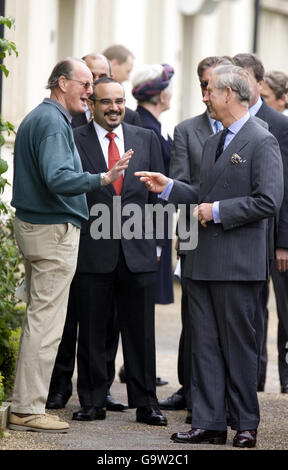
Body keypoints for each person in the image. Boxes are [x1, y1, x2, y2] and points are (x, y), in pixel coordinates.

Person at [135, 64, 284, 448]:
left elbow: (268, 200)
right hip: (200, 264)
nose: (205, 98)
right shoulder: (212, 142)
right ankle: (210, 423)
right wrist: (169, 187)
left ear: (230, 95)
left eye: (210, 92)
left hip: (237, 265)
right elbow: (202, 195)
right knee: (203, 346)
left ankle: (246, 424)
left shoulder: (261, 139)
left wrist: (215, 212)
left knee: (239, 347)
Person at [8, 58, 132, 433]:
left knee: (39, 320)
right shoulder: (51, 121)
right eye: (85, 83)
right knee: (46, 325)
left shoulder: (44, 118)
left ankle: (25, 404)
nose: (91, 91)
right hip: (51, 231)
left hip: (40, 228)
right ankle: (28, 408)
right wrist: (103, 177)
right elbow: (57, 177)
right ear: (62, 83)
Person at [61, 76, 167, 426]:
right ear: (91, 105)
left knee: (141, 332)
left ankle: (145, 403)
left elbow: (156, 197)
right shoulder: (74, 141)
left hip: (138, 252)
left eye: (119, 101)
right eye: (106, 102)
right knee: (92, 331)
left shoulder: (145, 138)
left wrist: (157, 246)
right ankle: (92, 401)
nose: (114, 108)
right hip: (92, 251)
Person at [47, 52, 132, 413]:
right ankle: (59, 386)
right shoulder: (68, 127)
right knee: (68, 323)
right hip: (79, 238)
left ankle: (101, 388)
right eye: (91, 81)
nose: (95, 88)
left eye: (102, 78)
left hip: (119, 244)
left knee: (106, 325)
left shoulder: (133, 124)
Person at [160, 56, 233, 423]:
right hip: (194, 236)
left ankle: (224, 400)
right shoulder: (187, 130)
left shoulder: (251, 130)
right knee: (194, 321)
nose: (206, 93)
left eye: (212, 85)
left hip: (234, 240)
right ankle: (193, 393)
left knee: (229, 324)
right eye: (202, 85)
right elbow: (179, 185)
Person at [234, 53, 288, 393]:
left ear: (259, 83)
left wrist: (284, 241)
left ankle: (286, 382)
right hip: (242, 234)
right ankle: (252, 380)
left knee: (285, 313)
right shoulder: (227, 122)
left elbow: (286, 187)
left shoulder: (280, 125)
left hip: (276, 236)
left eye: (243, 79)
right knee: (251, 312)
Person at [132, 63, 175, 305]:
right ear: (160, 95)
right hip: (148, 225)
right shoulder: (146, 128)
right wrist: (156, 243)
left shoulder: (153, 126)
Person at [72, 53, 141, 128]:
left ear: (111, 78)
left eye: (102, 77)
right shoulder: (69, 111)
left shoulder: (130, 118)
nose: (96, 81)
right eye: (91, 76)